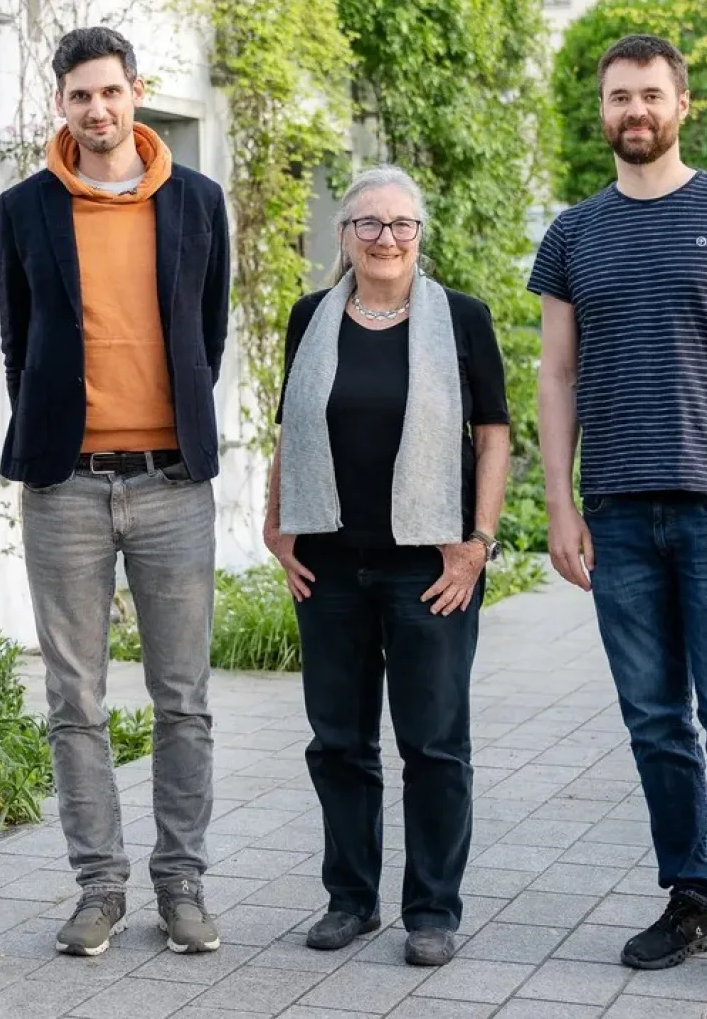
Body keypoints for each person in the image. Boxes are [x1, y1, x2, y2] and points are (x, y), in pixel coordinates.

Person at [529, 34, 707, 1008]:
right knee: (657, 723)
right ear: (603, 111)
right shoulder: (574, 233)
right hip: (615, 515)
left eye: (651, 94)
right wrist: (561, 505)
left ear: (683, 104)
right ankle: (691, 897)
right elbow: (557, 373)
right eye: (619, 97)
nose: (635, 111)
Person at [0, 26, 230, 958]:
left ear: (138, 93)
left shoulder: (198, 202)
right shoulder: (26, 208)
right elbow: (21, 342)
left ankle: (182, 887)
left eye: (111, 92)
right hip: (66, 489)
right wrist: (65, 429)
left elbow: (205, 335)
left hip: (173, 482)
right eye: (80, 95)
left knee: (184, 699)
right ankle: (99, 888)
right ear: (62, 103)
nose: (98, 109)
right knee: (74, 701)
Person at [264, 166, 511, 969]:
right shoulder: (311, 317)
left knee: (434, 744)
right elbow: (289, 427)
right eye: (368, 224)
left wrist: (478, 540)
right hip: (329, 563)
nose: (386, 239)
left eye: (402, 224)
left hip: (429, 568)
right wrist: (276, 524)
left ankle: (433, 910)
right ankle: (350, 899)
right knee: (338, 741)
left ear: (420, 234)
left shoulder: (462, 319)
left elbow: (493, 436)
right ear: (344, 236)